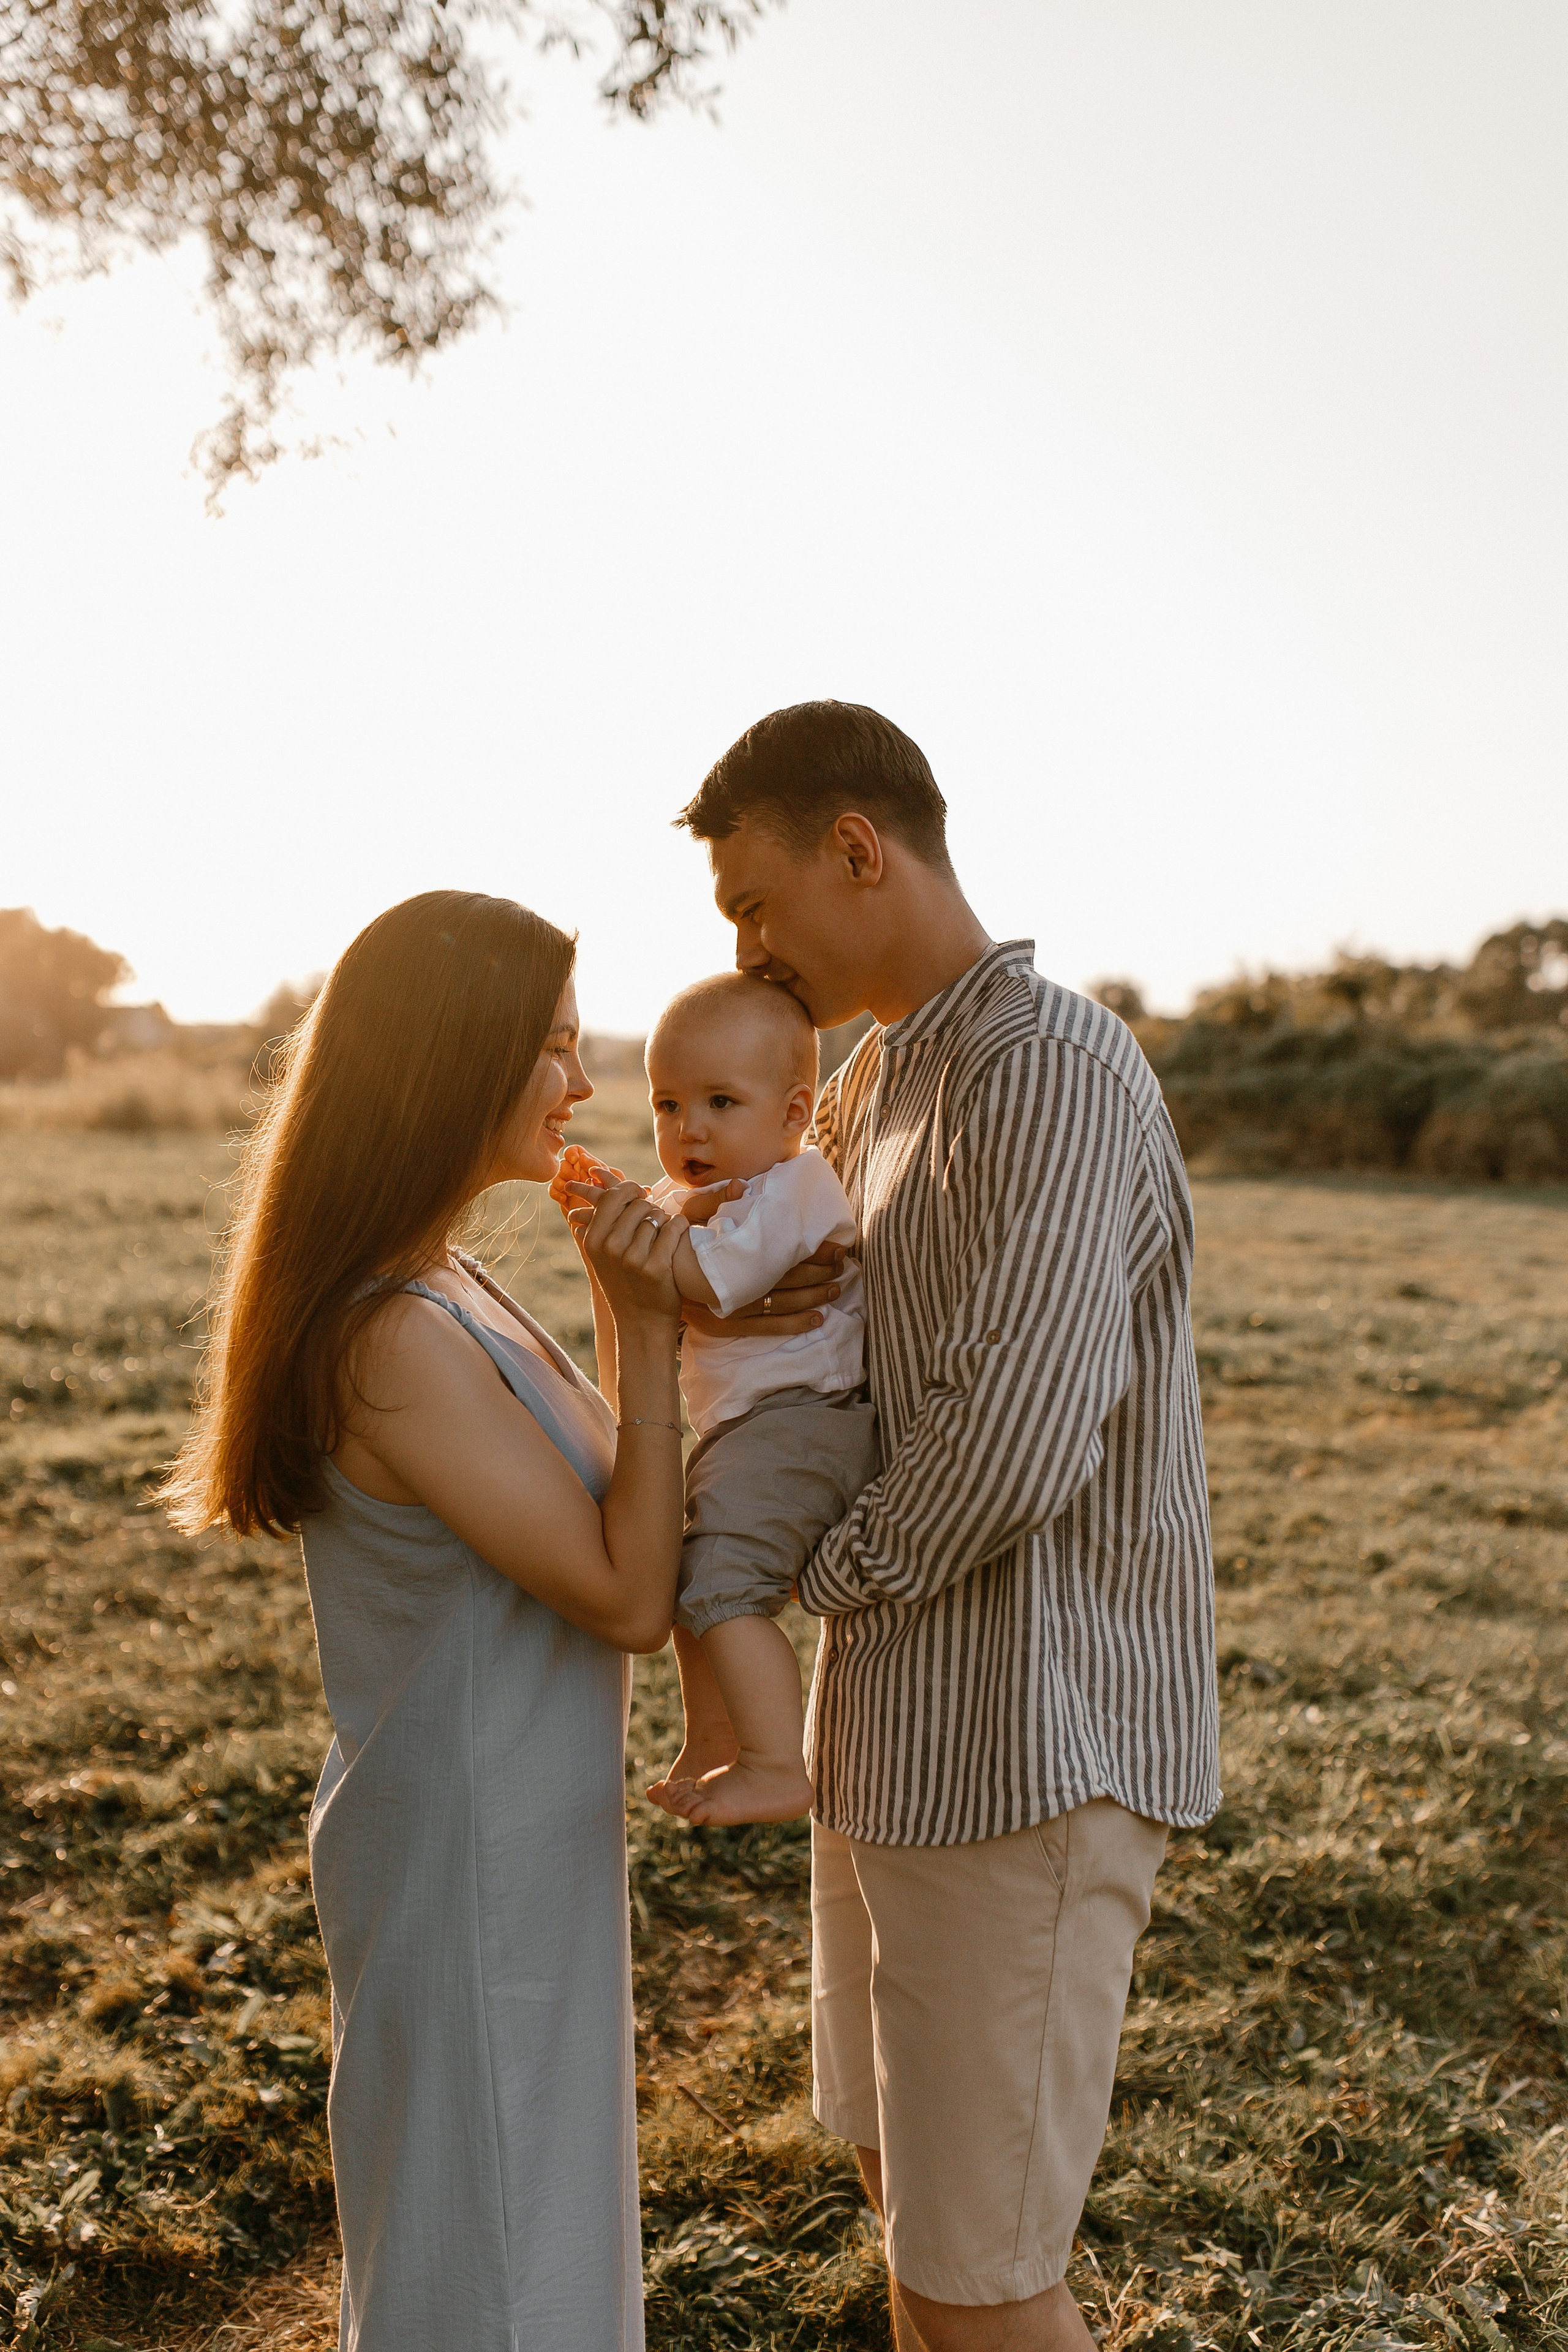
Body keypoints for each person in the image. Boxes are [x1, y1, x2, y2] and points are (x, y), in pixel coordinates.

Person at [675, 704, 1222, 2352]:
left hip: (1029, 1749)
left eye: (758, 907)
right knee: (893, 2185)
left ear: (861, 851)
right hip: (892, 1733)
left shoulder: (1045, 1065)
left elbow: (1018, 1431)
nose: (753, 950)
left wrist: (813, 1575)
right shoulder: (866, 1086)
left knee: (976, 2286)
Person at [162, 889, 692, 2352]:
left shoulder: (452, 1285)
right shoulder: (394, 1338)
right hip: (470, 1849)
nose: (584, 1086)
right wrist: (645, 1329)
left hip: (523, 1829)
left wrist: (610, 1302)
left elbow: (609, 1510)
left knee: (534, 2222)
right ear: (454, 1059)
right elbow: (631, 1593)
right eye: (556, 1049)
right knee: (493, 2252)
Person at [554, 970, 878, 1826]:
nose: (688, 1128)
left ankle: (777, 1763)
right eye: (668, 1105)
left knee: (727, 1582)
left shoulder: (793, 1189)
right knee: (695, 1573)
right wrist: (614, 1214)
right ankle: (712, 1741)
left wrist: (641, 1234)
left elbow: (699, 1276)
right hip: (749, 1431)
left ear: (793, 1113)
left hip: (807, 1423)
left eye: (721, 1103)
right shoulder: (703, 1194)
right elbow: (650, 1262)